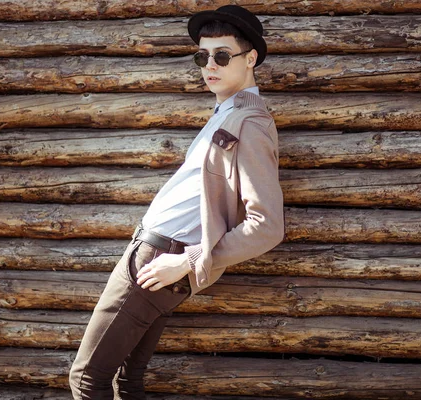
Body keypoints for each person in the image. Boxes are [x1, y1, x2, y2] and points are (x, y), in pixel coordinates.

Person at [69, 5, 285, 399]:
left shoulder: (250, 124)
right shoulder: (227, 113)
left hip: (162, 262)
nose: (210, 66)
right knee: (125, 382)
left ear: (250, 58)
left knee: (86, 380)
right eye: (202, 57)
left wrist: (186, 262)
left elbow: (267, 225)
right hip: (157, 257)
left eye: (222, 55)